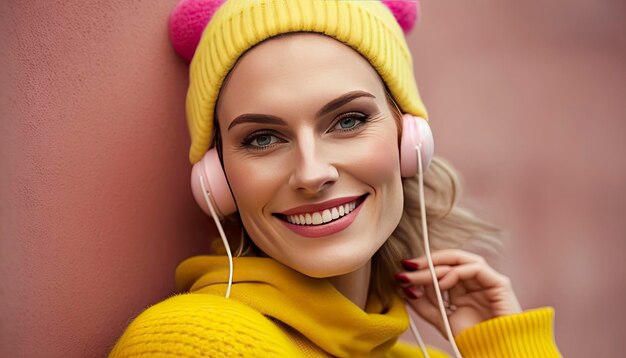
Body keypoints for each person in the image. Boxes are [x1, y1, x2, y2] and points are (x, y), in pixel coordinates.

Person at [110, 0, 561, 356]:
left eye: (347, 121)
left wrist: (502, 346)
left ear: (411, 142)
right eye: (263, 138)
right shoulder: (196, 344)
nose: (312, 173)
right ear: (217, 180)